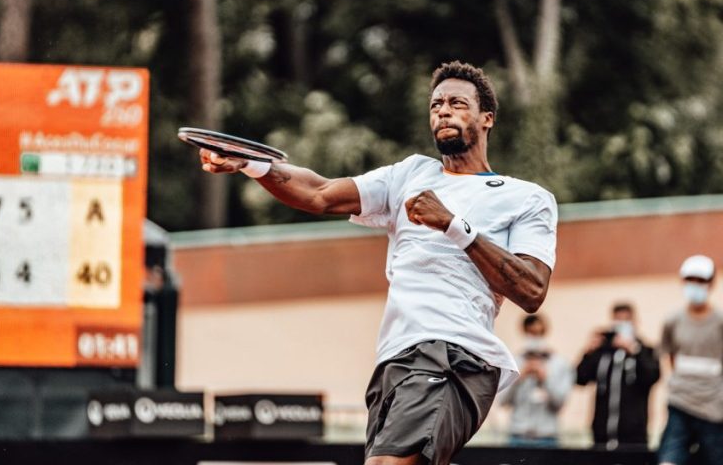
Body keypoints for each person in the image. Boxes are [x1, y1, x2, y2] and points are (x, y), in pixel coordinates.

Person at [198, 60, 558, 465]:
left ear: (486, 118)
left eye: (458, 103)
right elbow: (319, 192)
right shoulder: (410, 174)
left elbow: (531, 290)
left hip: (454, 355)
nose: (443, 110)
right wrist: (251, 164)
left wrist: (455, 226)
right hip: (394, 361)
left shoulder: (525, 197)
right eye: (436, 104)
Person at [657, 255, 723, 465]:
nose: (695, 286)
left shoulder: (720, 322)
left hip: (714, 408)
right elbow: (671, 356)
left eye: (701, 281)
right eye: (691, 280)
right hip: (679, 404)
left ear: (711, 283)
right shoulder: (672, 321)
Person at [575, 303, 660, 450]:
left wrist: (634, 350)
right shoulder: (603, 352)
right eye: (617, 320)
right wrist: (588, 353)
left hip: (634, 438)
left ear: (634, 323)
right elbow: (580, 378)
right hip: (601, 436)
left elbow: (652, 376)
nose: (621, 325)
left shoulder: (646, 350)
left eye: (626, 320)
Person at [500, 314, 573, 448]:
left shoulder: (559, 363)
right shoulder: (513, 362)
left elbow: (560, 403)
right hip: (518, 436)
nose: (534, 337)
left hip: (547, 437)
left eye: (538, 333)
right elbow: (502, 400)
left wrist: (545, 378)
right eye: (531, 332)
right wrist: (519, 377)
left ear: (545, 332)